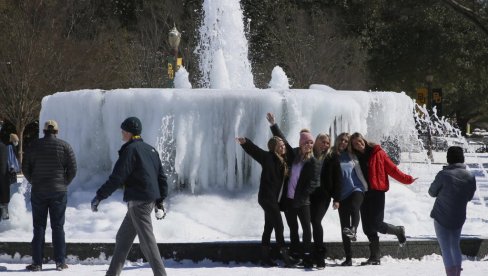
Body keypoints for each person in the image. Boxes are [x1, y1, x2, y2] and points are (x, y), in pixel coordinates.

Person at [91, 117, 168, 276]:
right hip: (146, 200)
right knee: (123, 239)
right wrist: (159, 202)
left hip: (138, 202)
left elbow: (117, 177)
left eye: (123, 131)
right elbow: (161, 178)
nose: (121, 133)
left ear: (129, 132)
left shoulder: (130, 150)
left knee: (148, 243)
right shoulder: (151, 149)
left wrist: (100, 196)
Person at [349, 132, 416, 266]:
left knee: (376, 223)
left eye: (360, 141)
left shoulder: (378, 153)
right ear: (353, 146)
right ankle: (375, 257)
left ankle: (398, 230)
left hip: (377, 192)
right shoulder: (354, 157)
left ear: (364, 140)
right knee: (367, 228)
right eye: (355, 143)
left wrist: (407, 179)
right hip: (363, 193)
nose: (359, 144)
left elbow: (393, 169)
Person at [22, 120, 77, 271]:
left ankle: (37, 263)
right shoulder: (65, 146)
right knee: (58, 226)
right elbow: (73, 169)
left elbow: (25, 167)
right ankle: (60, 262)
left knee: (38, 227)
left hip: (39, 190)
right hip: (59, 192)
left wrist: (33, 180)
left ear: (44, 131)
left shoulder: (33, 146)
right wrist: (63, 183)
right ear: (57, 131)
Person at [267, 113, 319, 269]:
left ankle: (307, 255)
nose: (309, 145)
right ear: (301, 143)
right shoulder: (294, 154)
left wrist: (302, 197)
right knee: (293, 228)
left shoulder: (313, 161)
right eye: (306, 142)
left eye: (311, 142)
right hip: (288, 200)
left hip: (303, 202)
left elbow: (314, 183)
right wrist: (273, 125)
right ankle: (296, 253)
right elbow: (282, 138)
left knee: (306, 229)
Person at [236, 135, 296, 267]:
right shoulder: (268, 157)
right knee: (279, 226)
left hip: (273, 199)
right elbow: (255, 151)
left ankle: (265, 257)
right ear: (273, 147)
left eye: (283, 144)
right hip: (266, 198)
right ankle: (285, 257)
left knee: (269, 226)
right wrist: (246, 142)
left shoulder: (285, 160)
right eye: (279, 145)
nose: (283, 146)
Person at [429, 146, 476, 276]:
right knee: (455, 245)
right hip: (459, 216)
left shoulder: (443, 175)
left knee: (445, 248)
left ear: (448, 158)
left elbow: (432, 192)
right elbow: (470, 197)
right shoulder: (470, 176)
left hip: (441, 216)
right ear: (462, 158)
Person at [309, 133, 340, 268]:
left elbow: (337, 179)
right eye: (323, 141)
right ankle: (313, 255)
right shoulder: (308, 154)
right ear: (316, 141)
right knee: (311, 222)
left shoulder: (332, 157)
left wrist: (337, 199)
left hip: (323, 196)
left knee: (316, 221)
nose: (325, 145)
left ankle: (320, 255)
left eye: (328, 143)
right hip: (308, 195)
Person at [336, 132, 367, 266]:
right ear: (338, 141)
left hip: (357, 189)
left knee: (355, 208)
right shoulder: (333, 156)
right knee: (344, 227)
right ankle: (348, 258)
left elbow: (366, 149)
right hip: (342, 194)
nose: (343, 142)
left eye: (346, 141)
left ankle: (354, 229)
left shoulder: (353, 155)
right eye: (341, 140)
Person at [0, 134, 21, 220]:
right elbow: (12, 162)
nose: (16, 143)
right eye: (15, 141)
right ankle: (5, 215)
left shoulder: (7, 147)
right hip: (6, 175)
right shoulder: (8, 147)